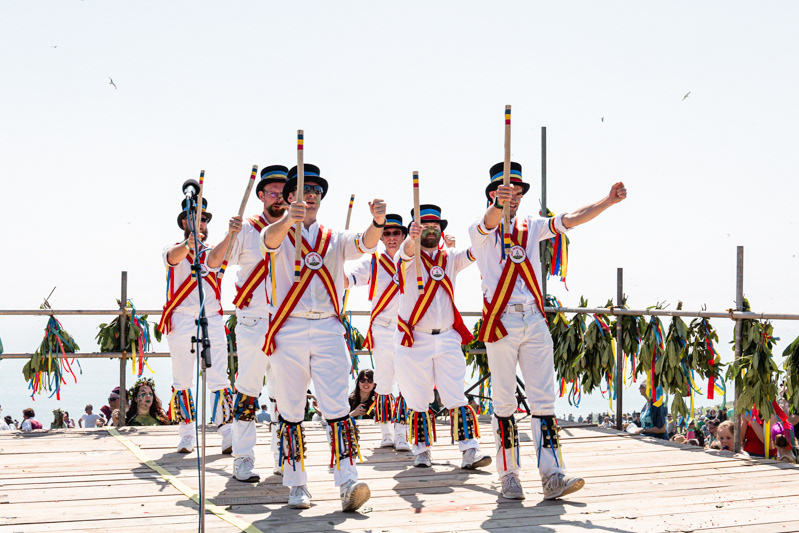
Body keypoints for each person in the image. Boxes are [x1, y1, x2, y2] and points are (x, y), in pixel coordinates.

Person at [468, 160, 626, 500]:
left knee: (544, 400)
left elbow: (570, 219)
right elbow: (489, 221)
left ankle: (552, 475)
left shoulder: (532, 226)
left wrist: (607, 201)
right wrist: (498, 206)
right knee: (504, 401)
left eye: (517, 192)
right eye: (506, 192)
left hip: (535, 320)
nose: (513, 197)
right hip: (501, 321)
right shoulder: (480, 231)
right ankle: (509, 475)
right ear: (493, 194)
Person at [260, 163, 385, 511]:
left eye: (315, 190)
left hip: (329, 327)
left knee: (337, 407)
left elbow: (364, 244)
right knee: (291, 409)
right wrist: (289, 219)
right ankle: (296, 484)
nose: (311, 195)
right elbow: (269, 242)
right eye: (303, 190)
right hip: (289, 326)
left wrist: (376, 222)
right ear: (289, 197)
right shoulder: (278, 231)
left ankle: (348, 482)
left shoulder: (334, 237)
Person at [394, 204, 490, 472]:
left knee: (456, 395)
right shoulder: (407, 256)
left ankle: (470, 450)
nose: (430, 230)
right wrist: (411, 238)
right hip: (415, 339)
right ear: (415, 230)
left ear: (441, 230)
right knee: (417, 398)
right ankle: (421, 450)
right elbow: (407, 251)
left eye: (435, 226)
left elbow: (475, 251)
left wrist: (486, 227)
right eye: (424, 226)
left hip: (447, 336)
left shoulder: (450, 258)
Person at [207, 165, 289, 482]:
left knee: (285, 394)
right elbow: (214, 263)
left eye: (283, 192)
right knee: (248, 390)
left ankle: (284, 455)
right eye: (273, 192)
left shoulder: (296, 228)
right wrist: (230, 234)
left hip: (287, 320)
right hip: (253, 319)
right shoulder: (247, 229)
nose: (279, 197)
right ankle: (243, 457)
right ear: (261, 196)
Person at [157, 195, 233, 454]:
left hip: (211, 317)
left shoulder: (212, 251)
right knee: (182, 378)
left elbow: (217, 259)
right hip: (181, 318)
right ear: (184, 222)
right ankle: (187, 433)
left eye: (203, 219)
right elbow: (173, 257)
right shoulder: (173, 248)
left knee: (219, 375)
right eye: (195, 218)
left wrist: (231, 233)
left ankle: (227, 432)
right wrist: (188, 245)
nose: (200, 223)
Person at [344, 213, 411, 451]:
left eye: (396, 233)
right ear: (381, 237)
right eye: (387, 233)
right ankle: (386, 433)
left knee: (406, 382)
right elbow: (347, 280)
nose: (391, 237)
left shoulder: (412, 259)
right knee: (383, 382)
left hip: (406, 329)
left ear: (403, 236)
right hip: (382, 328)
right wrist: (333, 265)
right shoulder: (372, 262)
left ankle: (402, 433)